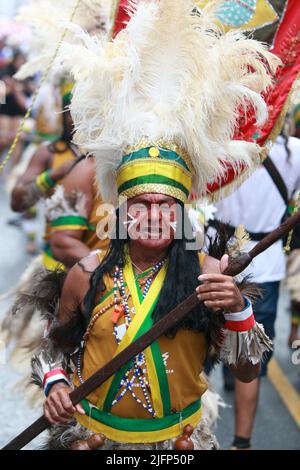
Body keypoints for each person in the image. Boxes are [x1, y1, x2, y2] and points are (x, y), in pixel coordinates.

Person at [30, 0, 278, 450]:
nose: (152, 215)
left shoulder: (210, 278)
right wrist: (54, 384)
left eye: (165, 204)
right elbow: (52, 348)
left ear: (182, 212)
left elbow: (246, 370)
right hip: (96, 443)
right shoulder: (85, 274)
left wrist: (238, 307)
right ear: (121, 212)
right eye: (140, 203)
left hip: (179, 446)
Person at [208, 131, 300, 449]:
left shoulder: (214, 144)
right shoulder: (293, 151)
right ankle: (241, 442)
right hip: (261, 263)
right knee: (251, 351)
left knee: (207, 348)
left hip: (213, 258)